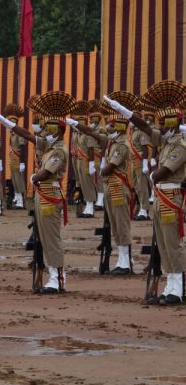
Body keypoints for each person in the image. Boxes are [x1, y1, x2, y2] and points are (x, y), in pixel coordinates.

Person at [105, 81, 186, 305]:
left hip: (170, 196)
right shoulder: (167, 140)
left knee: (172, 243)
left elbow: (165, 171)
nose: (160, 127)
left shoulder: (179, 145)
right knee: (162, 243)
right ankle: (170, 285)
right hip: (161, 198)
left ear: (173, 124)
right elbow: (146, 128)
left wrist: (151, 176)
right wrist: (124, 111)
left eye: (164, 124)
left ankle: (177, 288)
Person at [0, 91, 76, 294]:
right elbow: (28, 136)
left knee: (51, 238)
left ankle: (57, 277)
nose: (44, 130)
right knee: (43, 239)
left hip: (50, 195)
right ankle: (51, 274)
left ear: (57, 130)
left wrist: (34, 177)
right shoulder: (48, 144)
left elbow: (47, 171)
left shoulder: (59, 149)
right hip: (41, 195)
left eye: (49, 127)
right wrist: (8, 124)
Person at [67, 99, 135, 275]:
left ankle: (126, 262)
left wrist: (101, 167)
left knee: (122, 225)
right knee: (114, 225)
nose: (109, 130)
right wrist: (76, 125)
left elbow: (109, 168)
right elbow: (94, 134)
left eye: (112, 128)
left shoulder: (122, 146)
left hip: (119, 188)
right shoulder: (113, 142)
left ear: (119, 129)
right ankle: (121, 259)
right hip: (111, 189)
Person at [3, 104, 27, 209]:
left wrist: (22, 162)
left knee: (19, 180)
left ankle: (21, 200)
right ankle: (17, 197)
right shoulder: (12, 132)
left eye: (12, 122)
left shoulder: (19, 132)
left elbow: (22, 148)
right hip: (12, 159)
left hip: (18, 159)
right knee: (14, 179)